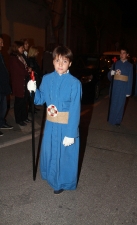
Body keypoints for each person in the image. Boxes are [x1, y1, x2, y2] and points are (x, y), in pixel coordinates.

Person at [27, 46, 82, 194]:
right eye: (57, 60)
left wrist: (71, 134)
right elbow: (40, 100)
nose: (60, 64)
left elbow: (75, 110)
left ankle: (61, 182)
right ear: (53, 61)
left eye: (64, 61)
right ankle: (51, 178)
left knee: (63, 156)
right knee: (50, 152)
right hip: (51, 125)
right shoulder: (47, 79)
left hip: (66, 126)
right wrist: (33, 90)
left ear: (69, 63)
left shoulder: (74, 83)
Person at [107, 47, 133, 126]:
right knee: (113, 103)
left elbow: (130, 79)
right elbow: (109, 77)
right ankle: (111, 119)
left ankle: (118, 120)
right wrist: (111, 74)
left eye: (124, 53)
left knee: (120, 105)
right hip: (115, 87)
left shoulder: (130, 66)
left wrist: (128, 91)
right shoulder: (115, 64)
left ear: (127, 54)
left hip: (123, 88)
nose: (122, 55)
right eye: (121, 53)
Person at [9, 41, 31, 126]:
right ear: (17, 48)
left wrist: (27, 69)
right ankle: (19, 119)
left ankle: (24, 117)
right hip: (18, 83)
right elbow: (20, 70)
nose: (23, 49)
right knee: (19, 102)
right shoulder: (13, 58)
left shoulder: (20, 56)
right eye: (21, 47)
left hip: (23, 82)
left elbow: (24, 67)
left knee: (24, 101)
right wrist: (28, 71)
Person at [0, 36, 13, 136]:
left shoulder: (1, 55)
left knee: (3, 107)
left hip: (3, 87)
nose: (2, 45)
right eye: (0, 42)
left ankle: (2, 123)